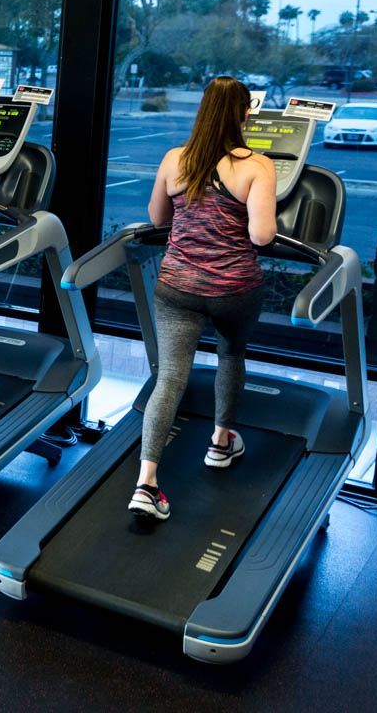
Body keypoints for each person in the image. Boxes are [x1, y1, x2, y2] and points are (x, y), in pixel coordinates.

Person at [129, 76, 276, 522]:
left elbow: (156, 217)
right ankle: (220, 442)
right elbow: (262, 235)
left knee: (171, 377)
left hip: (176, 288)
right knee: (231, 354)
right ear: (244, 113)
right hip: (234, 290)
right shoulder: (258, 166)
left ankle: (146, 484)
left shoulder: (176, 159)